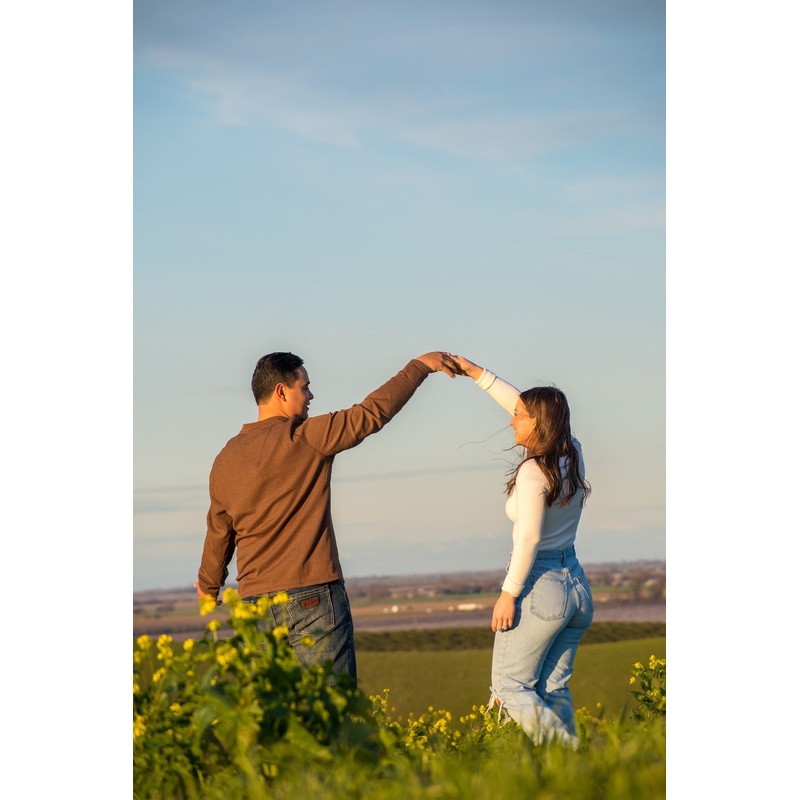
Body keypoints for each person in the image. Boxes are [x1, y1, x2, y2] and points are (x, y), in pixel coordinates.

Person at [195, 350, 459, 685]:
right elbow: (372, 413)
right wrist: (420, 367)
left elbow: (219, 532)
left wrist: (208, 587)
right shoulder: (305, 438)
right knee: (333, 716)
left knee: (275, 721)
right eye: (304, 387)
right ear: (281, 391)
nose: (310, 396)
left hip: (254, 607)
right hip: (312, 597)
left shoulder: (224, 460)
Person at [452, 354, 594, 748]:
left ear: (536, 423)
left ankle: (571, 757)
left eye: (518, 416)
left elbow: (528, 537)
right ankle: (579, 775)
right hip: (576, 586)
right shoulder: (572, 454)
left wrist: (508, 594)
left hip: (541, 589)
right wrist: (476, 373)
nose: (510, 420)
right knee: (552, 689)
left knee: (509, 685)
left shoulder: (534, 472)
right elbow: (527, 405)